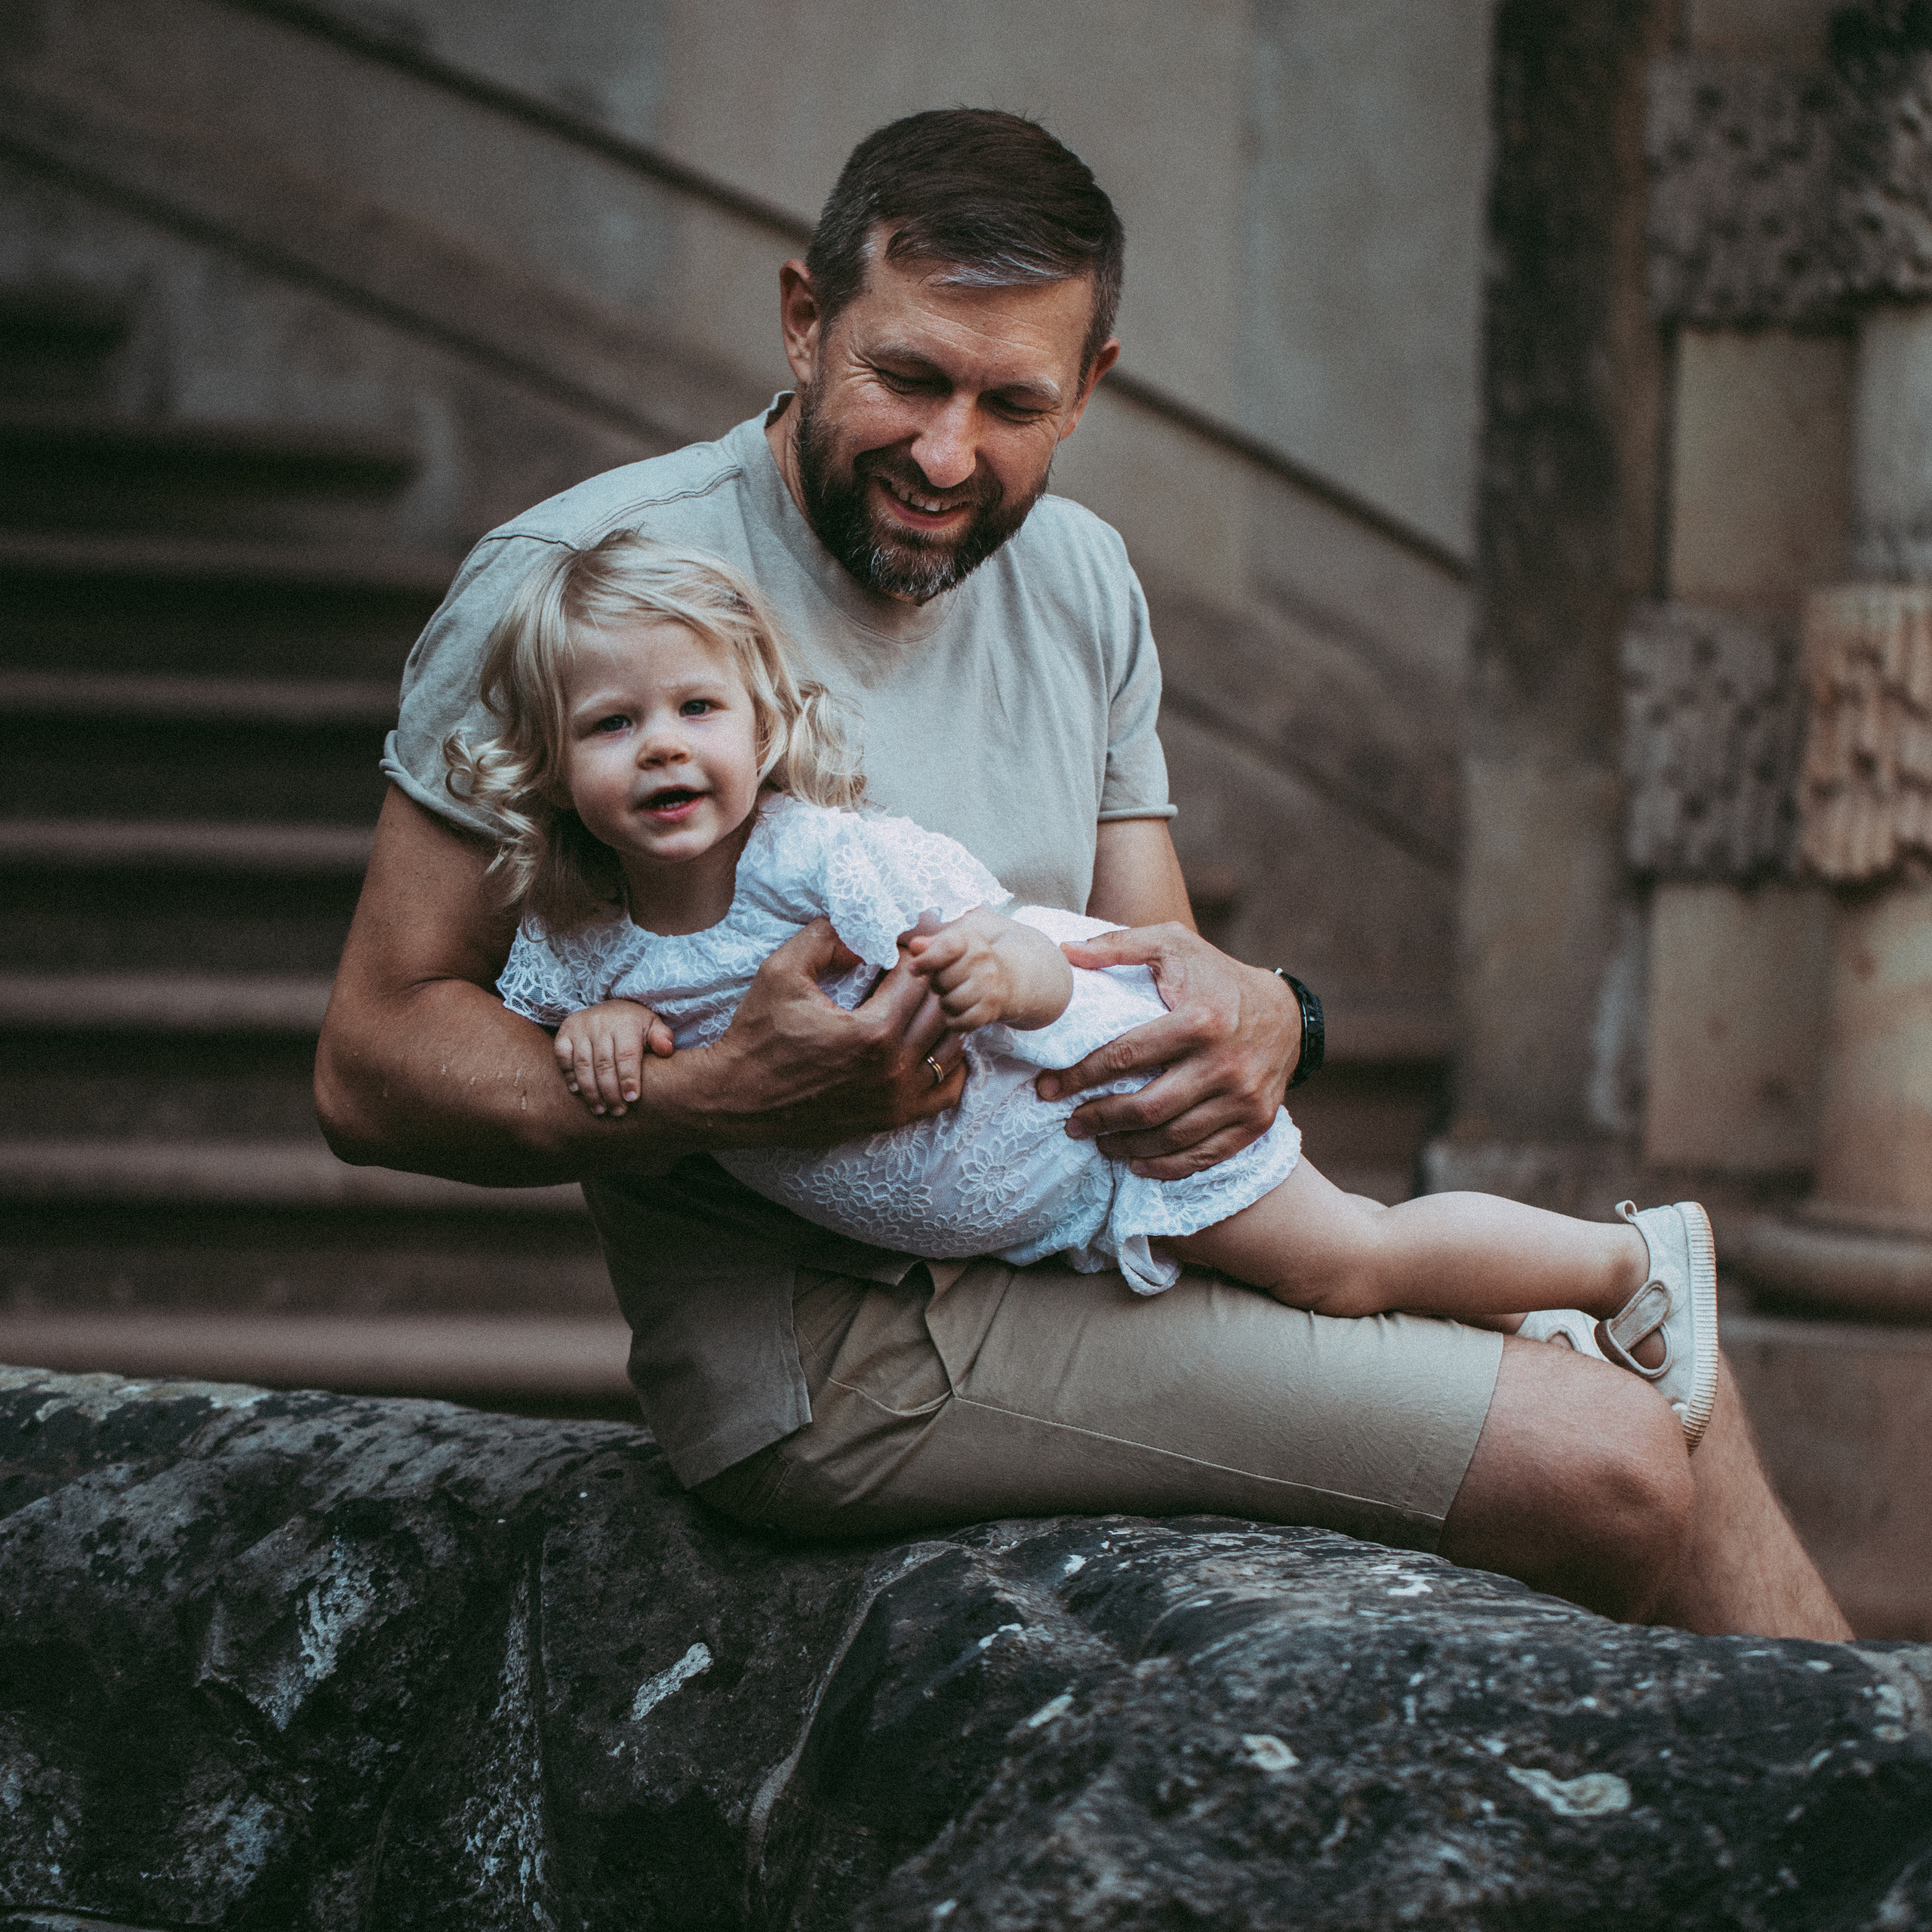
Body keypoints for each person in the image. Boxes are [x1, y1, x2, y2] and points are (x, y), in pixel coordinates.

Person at [315, 107, 1849, 1638]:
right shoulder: (578, 594)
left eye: (1010, 403)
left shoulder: (1081, 575)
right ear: (803, 320)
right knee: (1607, 1462)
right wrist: (713, 1095)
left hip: (1082, 1217)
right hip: (838, 1347)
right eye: (907, 377)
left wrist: (1272, 1014)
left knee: (1654, 1355)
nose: (945, 454)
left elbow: (1147, 965)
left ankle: (1871, 1793)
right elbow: (373, 1065)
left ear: (1089, 388)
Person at [454, 528, 1724, 1447]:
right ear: (551, 766)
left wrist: (1000, 974)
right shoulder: (580, 940)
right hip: (1035, 1218)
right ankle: (1536, 1326)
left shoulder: (823, 863)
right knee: (1314, 1288)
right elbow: (549, 1031)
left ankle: (1626, 1262)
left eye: (697, 708)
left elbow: (1025, 946)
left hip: (1107, 1124)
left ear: (761, 725)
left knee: (1350, 1260)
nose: (664, 746)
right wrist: (604, 1030)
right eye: (614, 725)